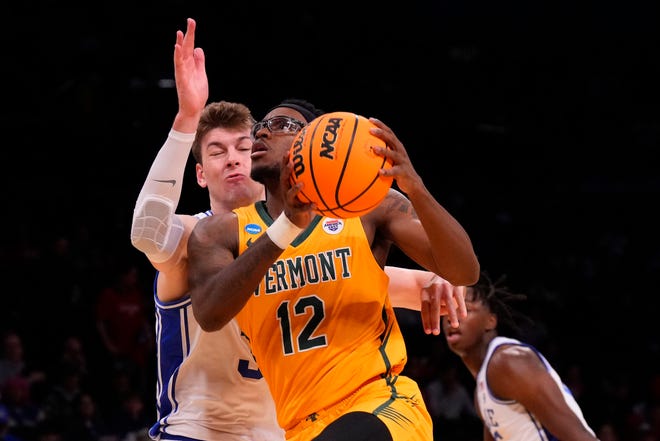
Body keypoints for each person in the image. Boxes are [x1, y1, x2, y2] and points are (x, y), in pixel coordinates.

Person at [130, 18, 468, 441]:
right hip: (200, 428)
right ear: (199, 174)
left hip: (286, 430)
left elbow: (379, 280)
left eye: (243, 144)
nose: (236, 156)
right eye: (217, 151)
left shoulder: (334, 226)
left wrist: (437, 280)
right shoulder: (198, 235)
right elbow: (148, 229)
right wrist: (187, 118)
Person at [187, 74, 480, 439]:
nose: (260, 133)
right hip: (300, 428)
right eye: (259, 127)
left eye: (280, 125)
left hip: (382, 404)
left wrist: (415, 188)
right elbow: (210, 313)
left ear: (313, 141)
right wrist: (287, 227)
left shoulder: (370, 210)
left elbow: (464, 270)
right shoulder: (218, 233)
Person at [441, 272, 599, 440]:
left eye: (465, 310)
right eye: (447, 310)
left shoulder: (508, 361)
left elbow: (581, 436)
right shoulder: (482, 390)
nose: (453, 318)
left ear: (491, 321)